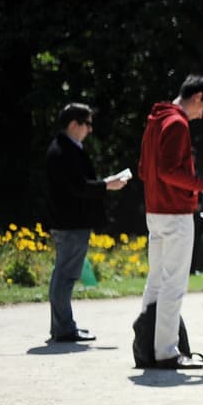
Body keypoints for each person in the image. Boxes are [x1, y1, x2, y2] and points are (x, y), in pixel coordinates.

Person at [138, 75, 203, 369]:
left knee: (156, 281)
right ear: (197, 96)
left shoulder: (155, 119)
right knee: (173, 285)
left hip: (155, 210)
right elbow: (169, 171)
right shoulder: (177, 122)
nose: (202, 114)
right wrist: (200, 186)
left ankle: (146, 347)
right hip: (175, 212)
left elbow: (144, 170)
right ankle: (167, 351)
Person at [45, 103, 127, 343]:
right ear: (74, 124)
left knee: (64, 274)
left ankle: (62, 326)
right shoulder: (63, 151)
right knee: (65, 276)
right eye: (87, 124)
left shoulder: (67, 148)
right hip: (70, 223)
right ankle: (63, 329)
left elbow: (77, 184)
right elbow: (77, 187)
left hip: (69, 221)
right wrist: (106, 185)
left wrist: (105, 182)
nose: (90, 130)